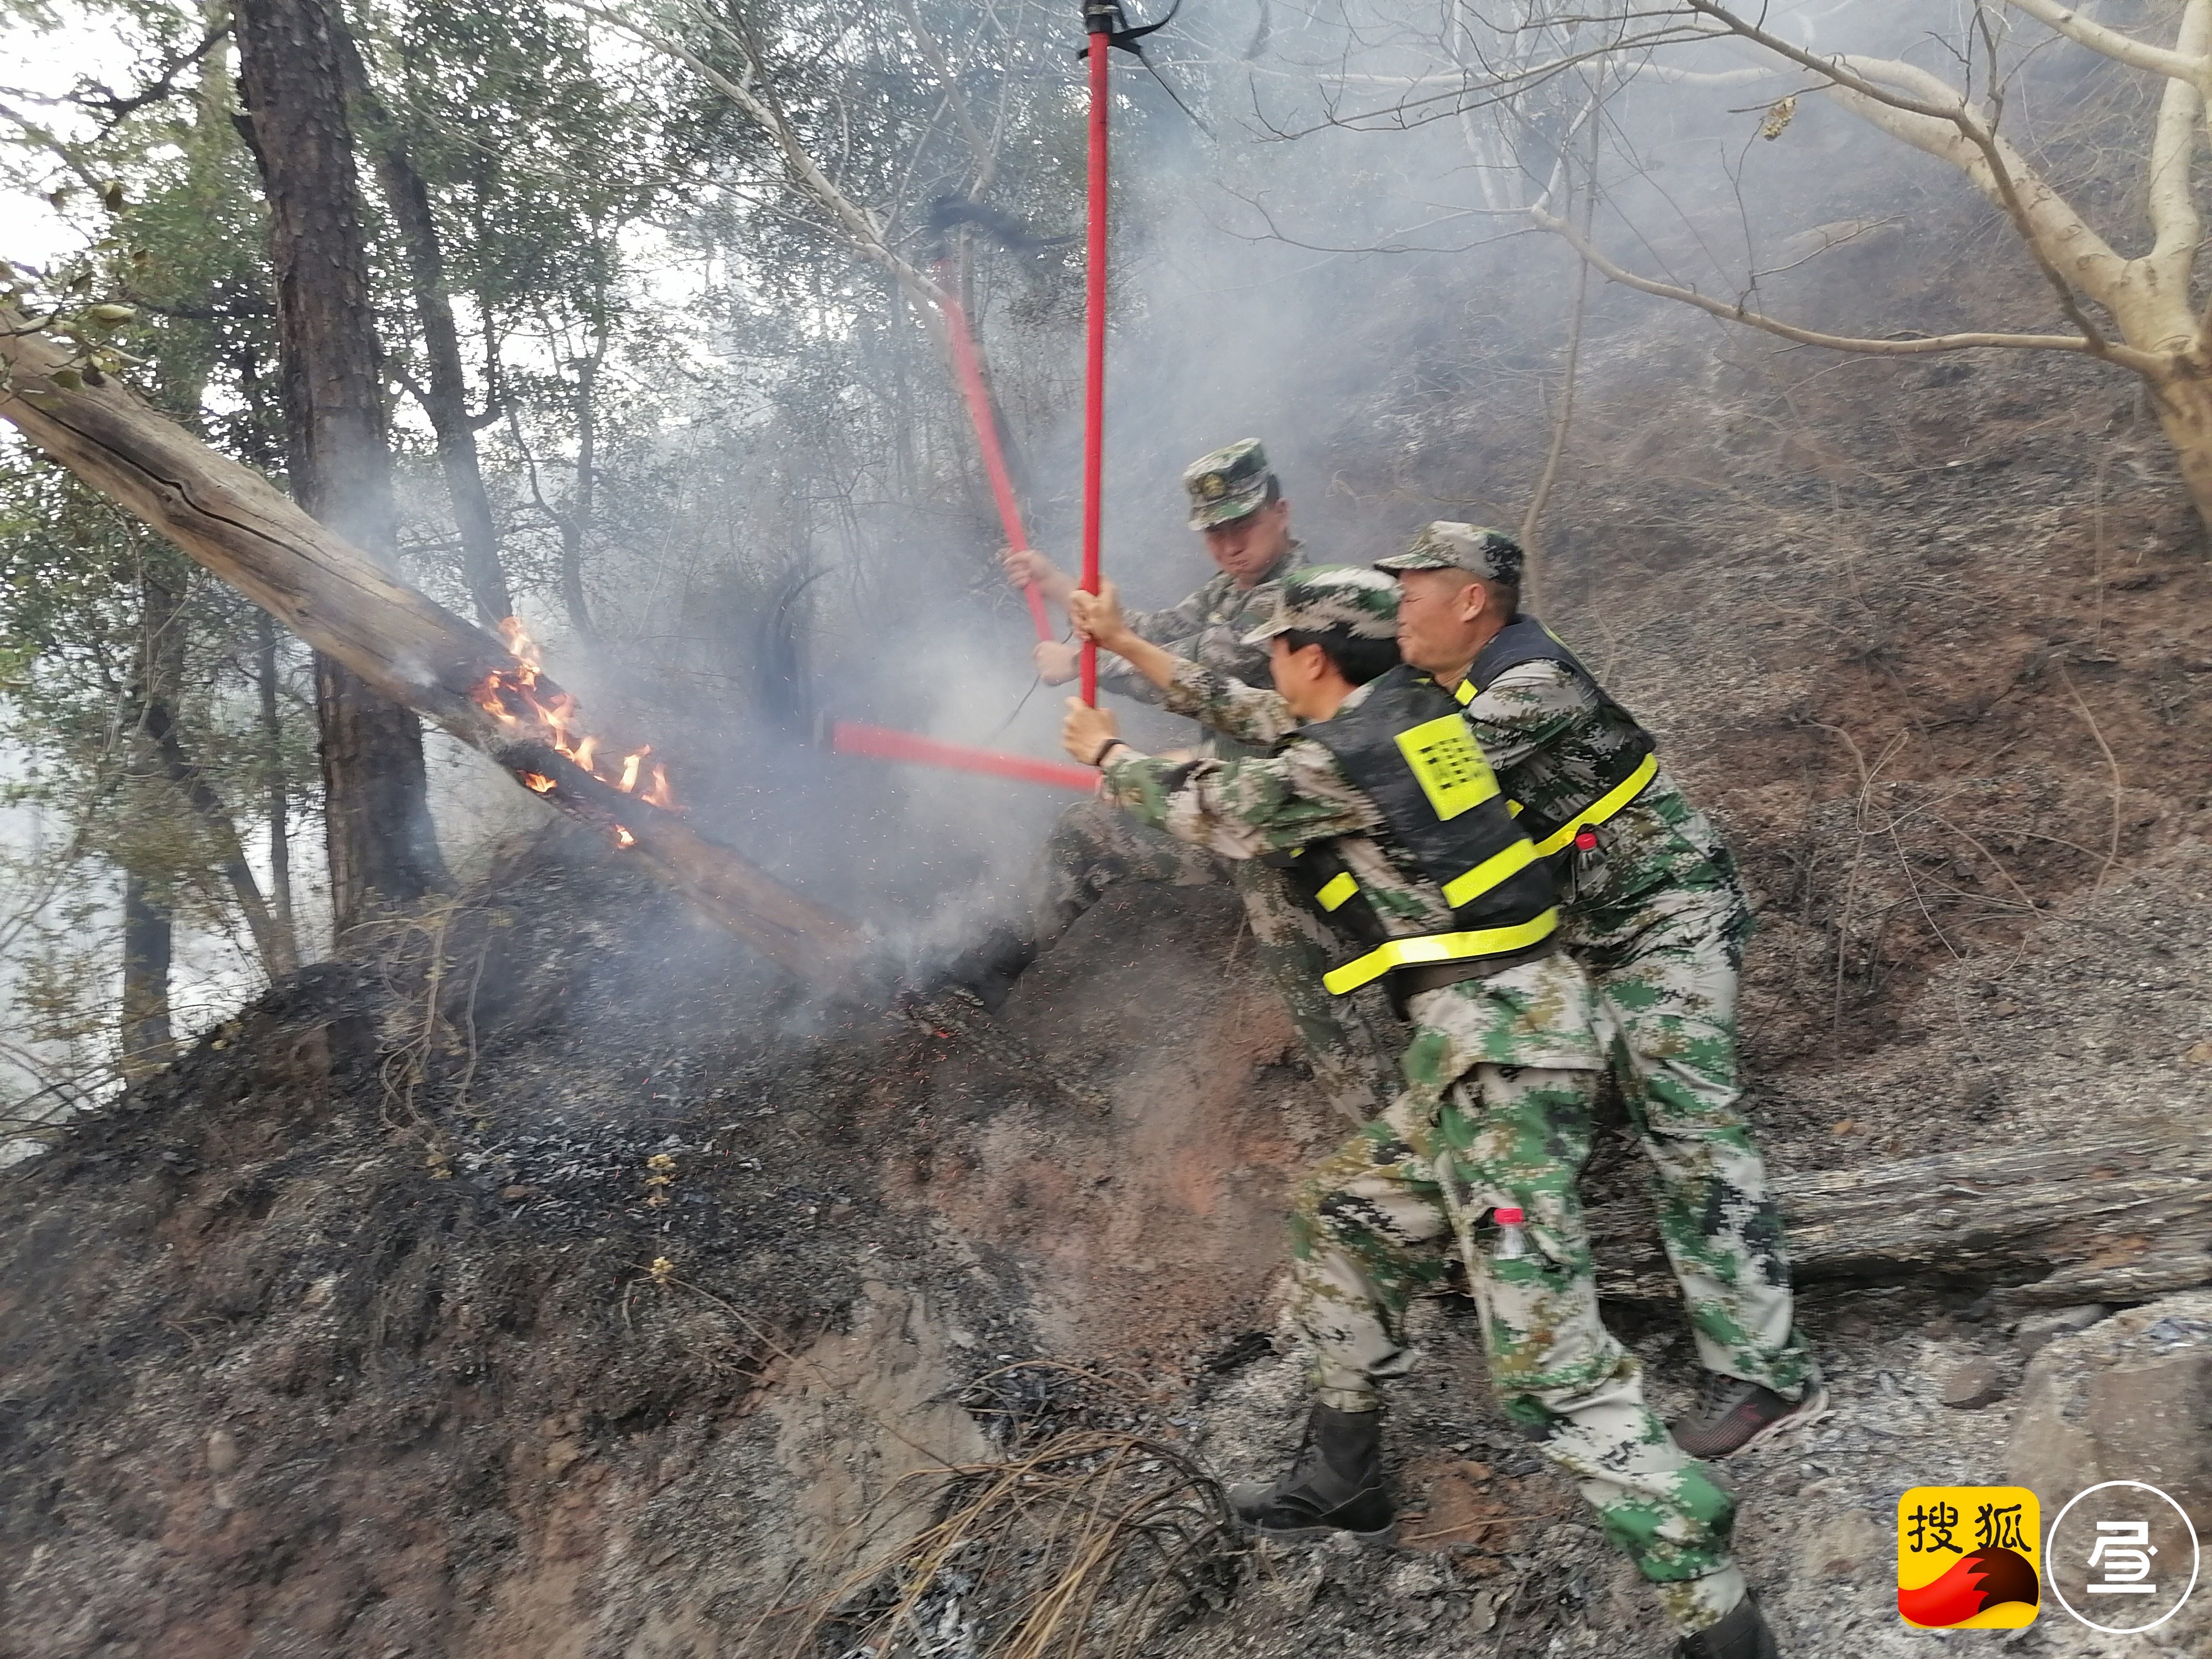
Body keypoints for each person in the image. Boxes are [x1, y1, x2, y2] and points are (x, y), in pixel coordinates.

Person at [1060, 566, 1778, 1659]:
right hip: (1491, 1042)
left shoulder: (1342, 757)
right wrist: (1126, 650)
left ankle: (1709, 1597)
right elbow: (1259, 730)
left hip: (1501, 1063)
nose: (1269, 671)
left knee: (1544, 1363)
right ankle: (1340, 1477)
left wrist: (1108, 757)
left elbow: (1226, 803)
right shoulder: (1411, 723)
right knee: (1343, 1215)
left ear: (1310, 656)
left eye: (1276, 652)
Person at [967, 440, 1398, 1124]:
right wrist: (1057, 586)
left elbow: (1189, 669)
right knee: (1087, 832)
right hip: (1219, 806)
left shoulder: (1301, 602)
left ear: (1281, 512)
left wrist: (1084, 669)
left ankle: (1380, 1120)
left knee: (1313, 975)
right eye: (1215, 532)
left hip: (1294, 827)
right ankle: (991, 975)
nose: (1229, 544)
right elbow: (1155, 629)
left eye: (1243, 525)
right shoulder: (1232, 588)